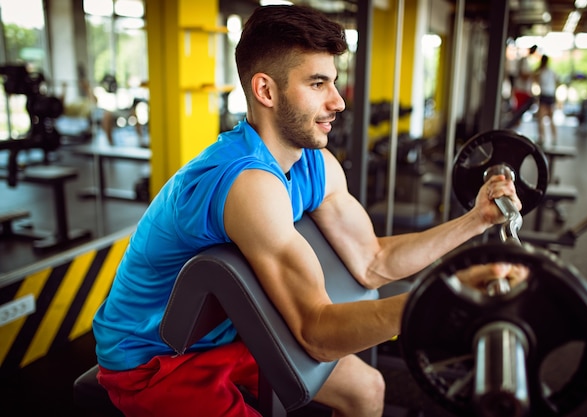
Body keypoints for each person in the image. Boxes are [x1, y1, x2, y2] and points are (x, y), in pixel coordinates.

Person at [92, 5, 522, 417]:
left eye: (333, 82)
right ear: (266, 90)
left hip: (226, 335)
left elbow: (373, 261)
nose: (338, 101)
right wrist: (448, 296)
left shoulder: (315, 163)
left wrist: (477, 220)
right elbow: (315, 332)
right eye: (318, 84)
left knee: (367, 390)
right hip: (154, 361)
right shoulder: (247, 184)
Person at [534, 54, 559, 146]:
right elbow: (557, 81)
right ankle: (554, 138)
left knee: (540, 118)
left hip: (544, 95)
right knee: (551, 118)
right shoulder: (552, 72)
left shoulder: (541, 71)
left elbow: (535, 78)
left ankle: (542, 138)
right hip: (551, 95)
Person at [512, 44, 537, 115]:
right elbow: (523, 75)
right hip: (521, 90)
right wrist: (532, 74)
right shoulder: (524, 60)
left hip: (524, 90)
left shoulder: (527, 61)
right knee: (519, 110)